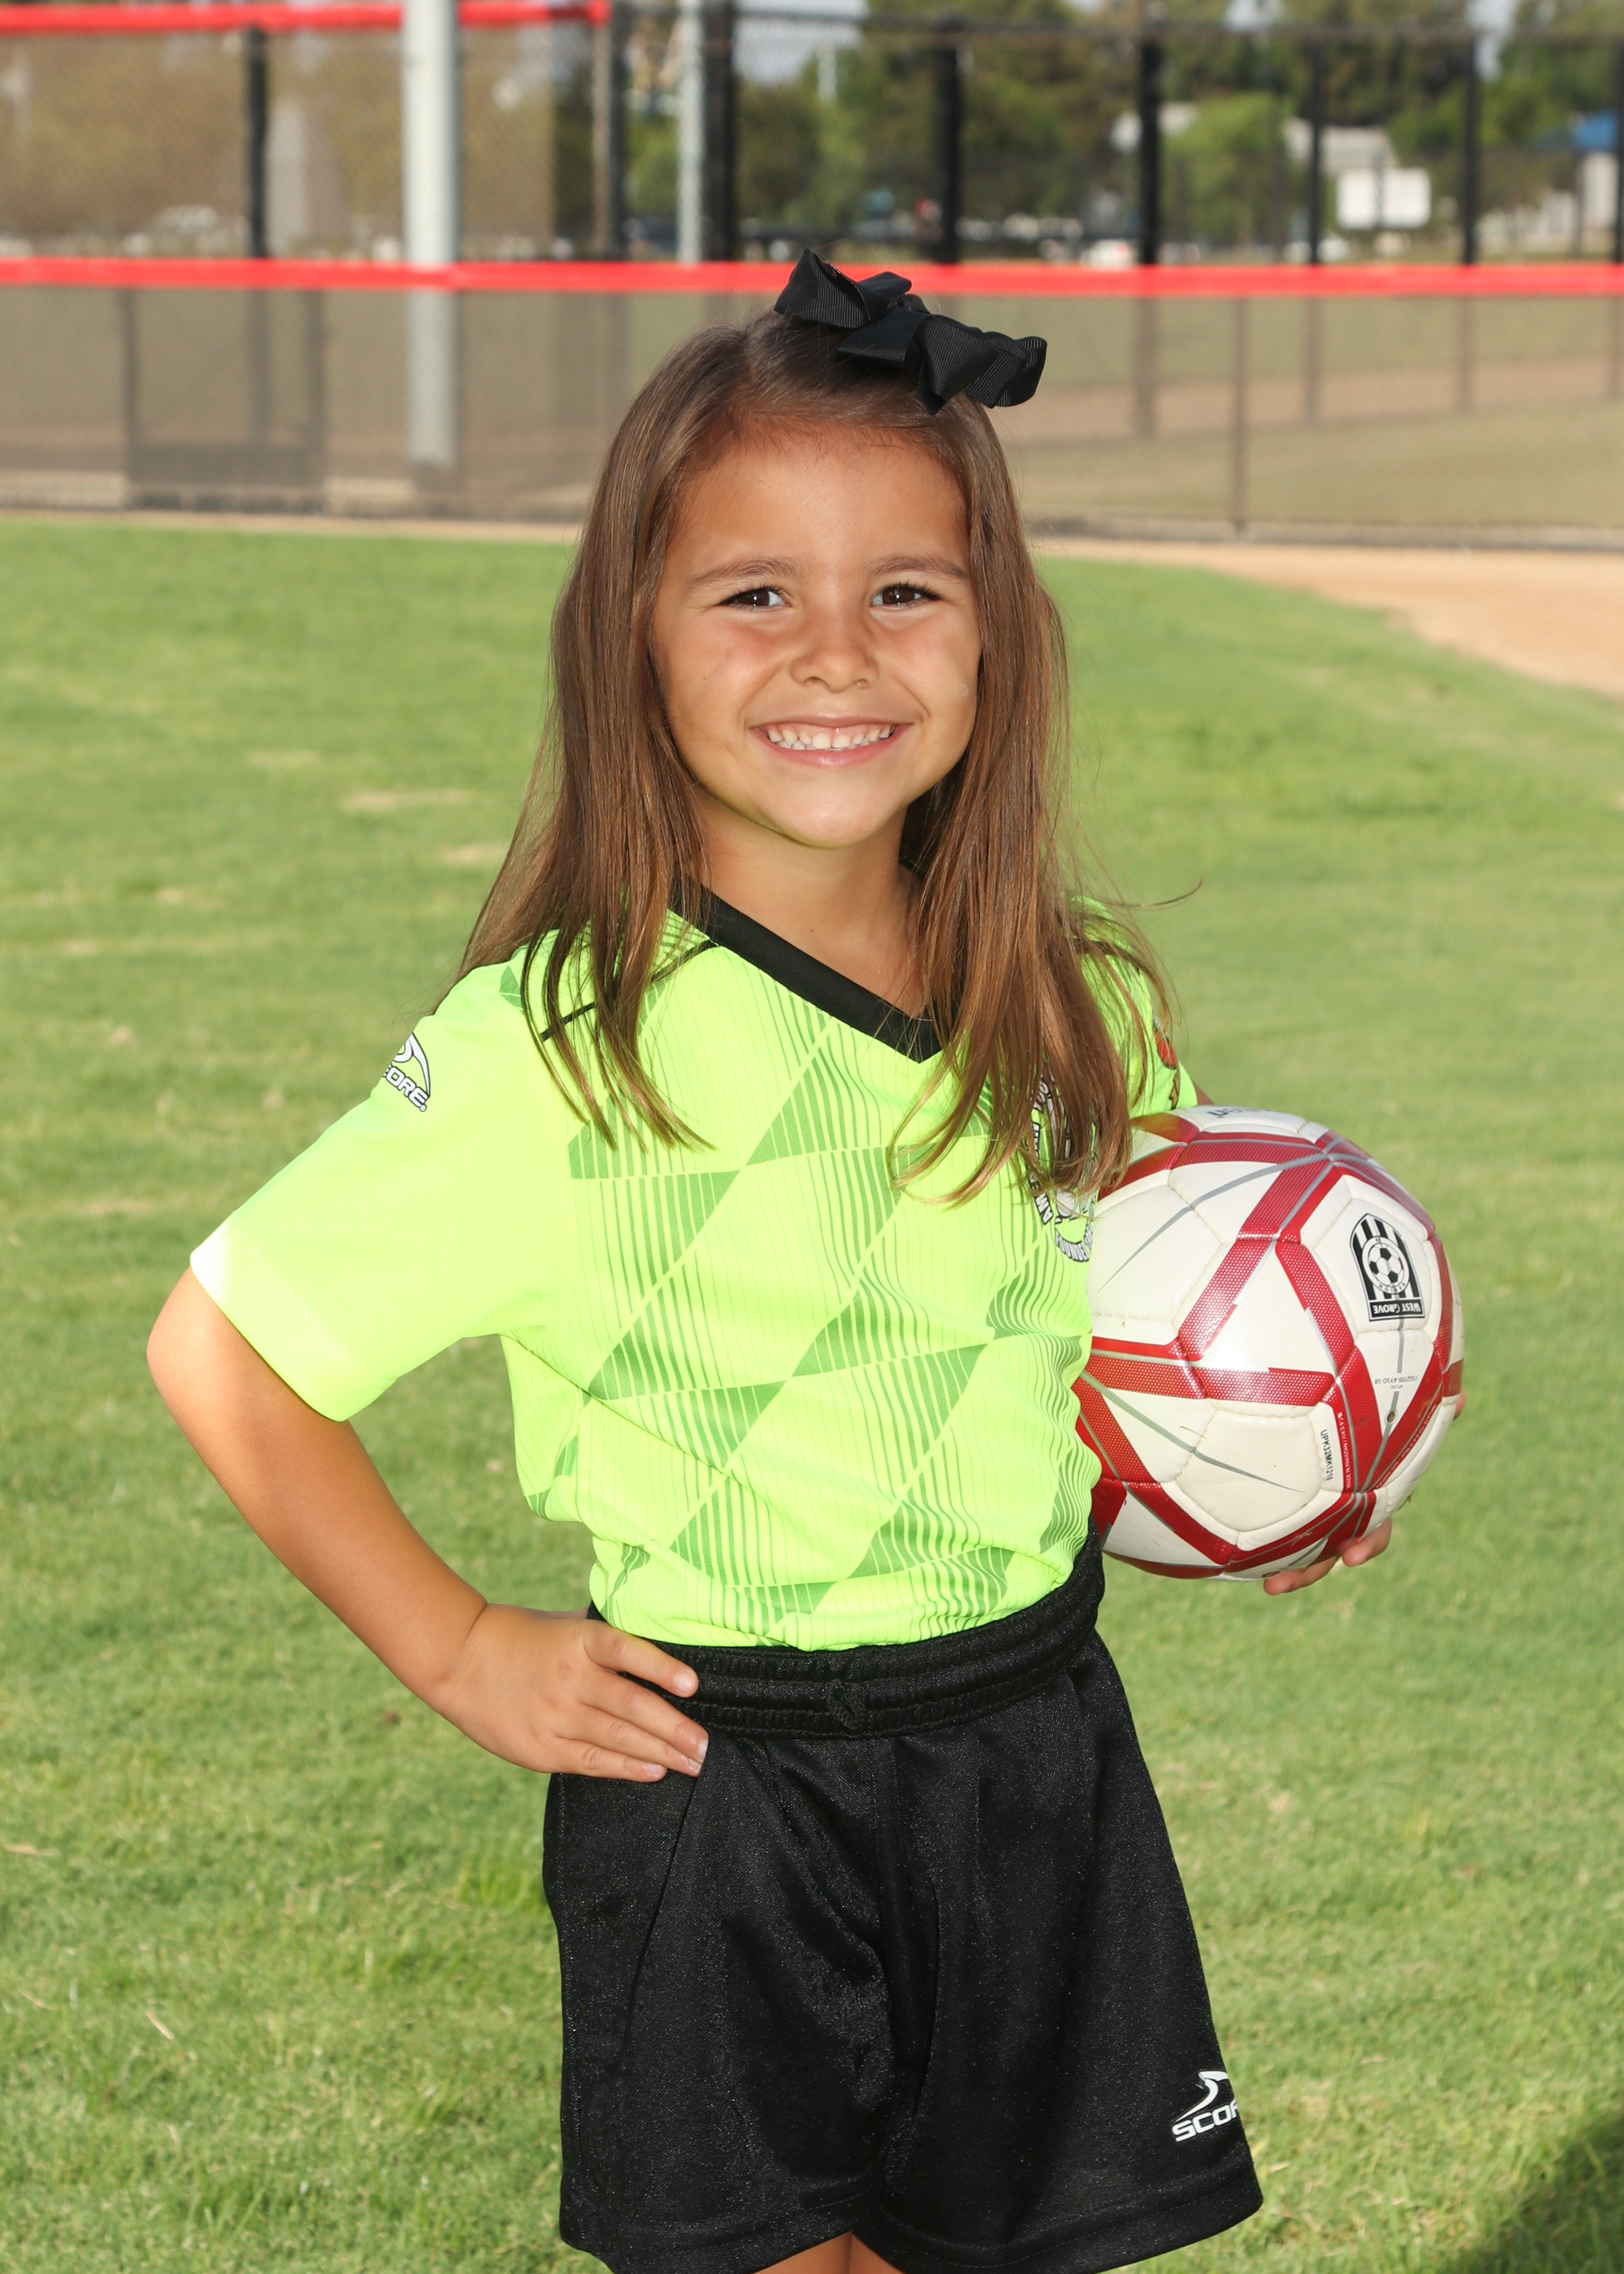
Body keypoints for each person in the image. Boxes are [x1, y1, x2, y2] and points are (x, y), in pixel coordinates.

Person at [149, 253, 1389, 2274]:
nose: (836, 652)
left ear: (996, 635)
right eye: (752, 594)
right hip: (726, 1780)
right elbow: (225, 1348)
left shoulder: (1074, 1004)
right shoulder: (562, 1048)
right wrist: (457, 1647)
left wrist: (1286, 1462)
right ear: (630, 636)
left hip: (1036, 1744)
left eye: (905, 589)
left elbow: (1130, 1315)